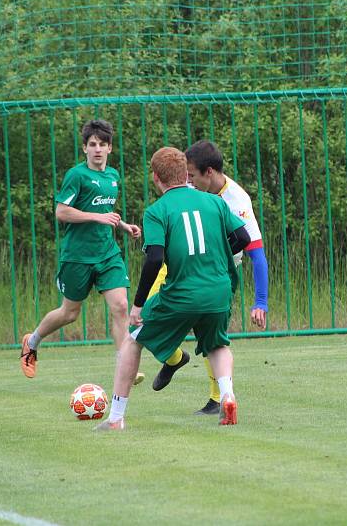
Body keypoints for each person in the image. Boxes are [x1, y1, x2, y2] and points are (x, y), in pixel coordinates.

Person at [95, 146, 250, 430]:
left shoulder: (157, 211)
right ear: (185, 173)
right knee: (217, 344)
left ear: (156, 178)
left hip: (181, 293)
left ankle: (116, 418)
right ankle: (227, 395)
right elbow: (242, 236)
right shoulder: (213, 202)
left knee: (133, 339)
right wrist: (218, 256)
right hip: (218, 291)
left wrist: (138, 305)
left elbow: (154, 257)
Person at [19, 119, 144, 381]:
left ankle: (125, 365)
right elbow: (61, 212)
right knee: (70, 313)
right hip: (78, 256)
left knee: (121, 305)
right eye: (92, 144)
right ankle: (32, 341)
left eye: (102, 144)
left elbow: (105, 211)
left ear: (110, 148)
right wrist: (97, 218)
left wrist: (122, 225)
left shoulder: (113, 176)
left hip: (107, 254)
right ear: (85, 148)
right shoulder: (76, 175)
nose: (97, 149)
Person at [184, 140, 269, 415]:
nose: (189, 182)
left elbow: (256, 254)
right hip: (189, 265)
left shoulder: (238, 201)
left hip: (220, 273)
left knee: (208, 331)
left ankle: (219, 396)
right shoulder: (191, 189)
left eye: (192, 176)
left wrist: (261, 302)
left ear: (209, 172)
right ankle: (177, 362)